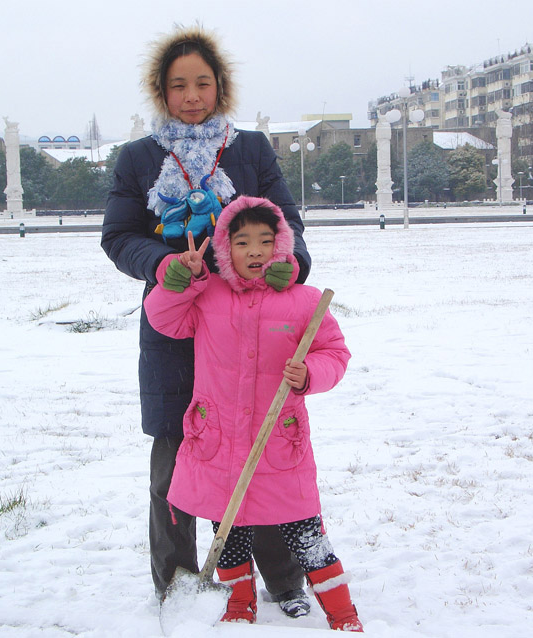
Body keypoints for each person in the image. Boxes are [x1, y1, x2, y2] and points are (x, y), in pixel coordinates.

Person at [100, 24, 313, 616]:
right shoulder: (139, 158)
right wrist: (165, 265)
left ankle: (283, 579)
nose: (192, 95)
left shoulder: (250, 150)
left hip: (249, 330)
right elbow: (118, 237)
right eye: (178, 86)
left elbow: (289, 229)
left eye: (202, 83)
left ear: (220, 87)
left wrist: (286, 265)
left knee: (259, 447)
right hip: (173, 329)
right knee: (172, 456)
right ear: (160, 93)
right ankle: (176, 580)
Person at [143, 196, 363, 631]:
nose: (256, 251)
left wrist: (309, 373)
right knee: (229, 532)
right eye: (243, 242)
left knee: (307, 533)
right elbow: (163, 320)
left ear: (282, 246)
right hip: (218, 441)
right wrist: (183, 279)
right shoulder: (208, 295)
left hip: (279, 443)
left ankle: (344, 614)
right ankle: (240, 604)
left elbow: (334, 353)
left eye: (267, 240)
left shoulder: (304, 301)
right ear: (225, 249)